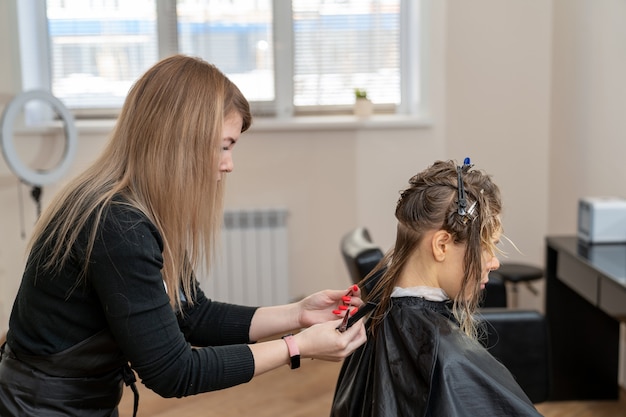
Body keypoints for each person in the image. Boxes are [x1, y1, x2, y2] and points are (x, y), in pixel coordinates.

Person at [0, 54, 367, 416]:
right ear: (180, 140)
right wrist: (295, 347)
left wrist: (298, 314)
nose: (229, 164)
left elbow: (191, 314)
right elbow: (173, 372)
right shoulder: (118, 225)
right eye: (224, 146)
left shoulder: (134, 208)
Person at [331, 159, 543, 417]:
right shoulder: (446, 358)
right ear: (442, 245)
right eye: (486, 246)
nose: (494, 262)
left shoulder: (378, 319)